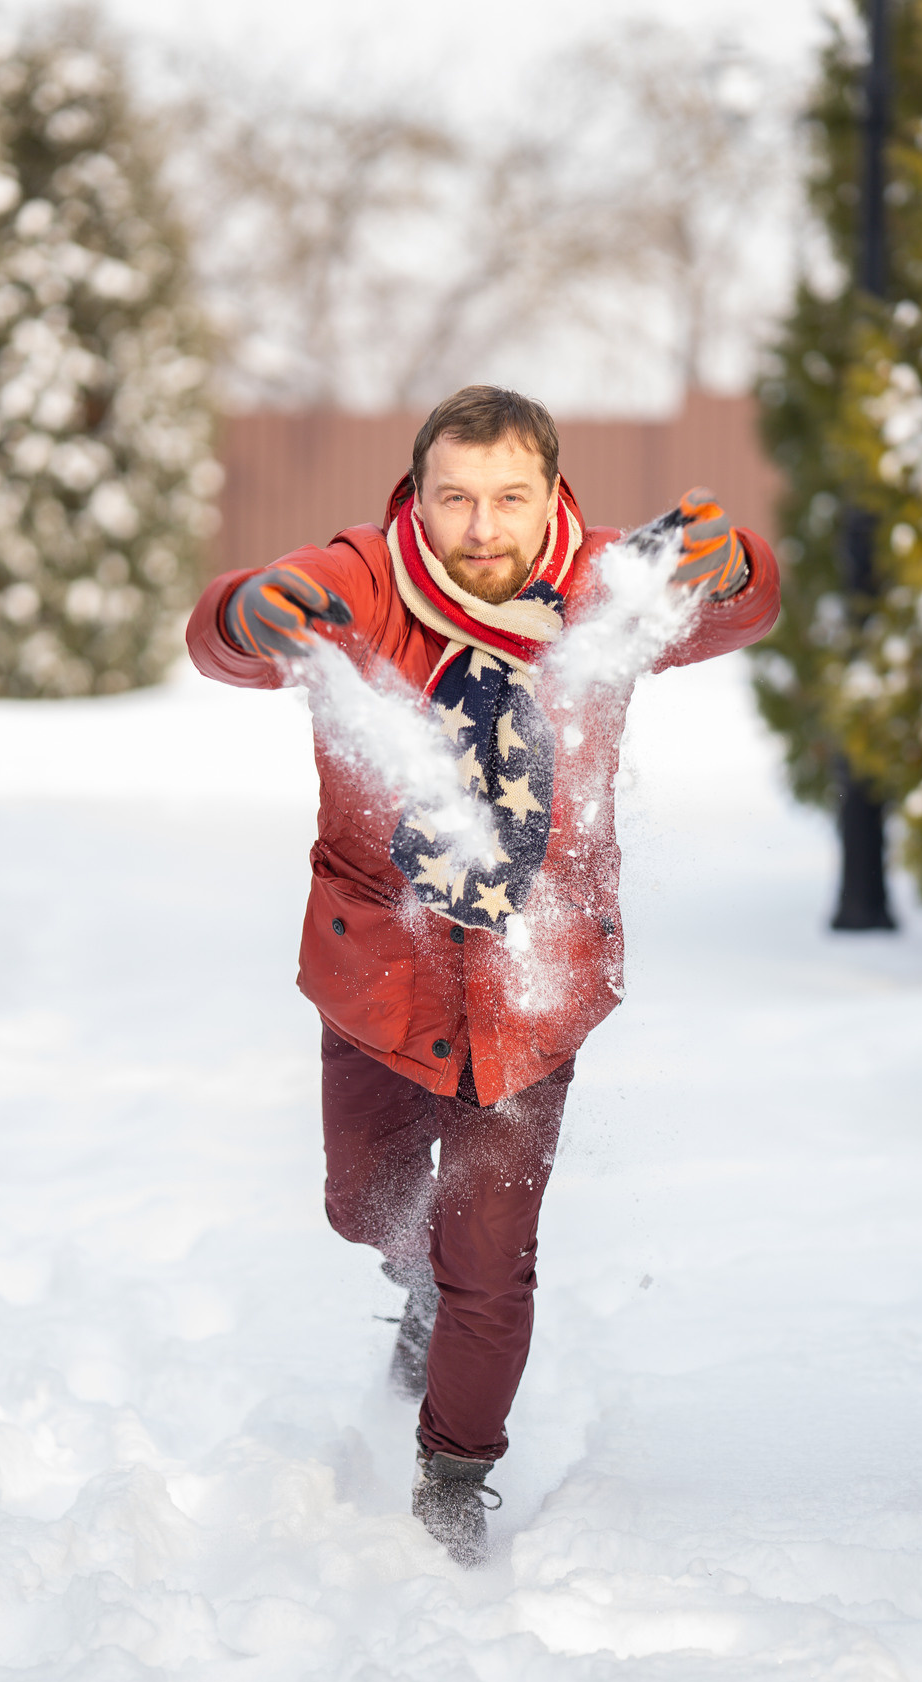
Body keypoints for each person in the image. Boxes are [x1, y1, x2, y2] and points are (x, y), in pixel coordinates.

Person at [184, 384, 780, 1566]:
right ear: (419, 495)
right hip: (381, 980)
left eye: (511, 497)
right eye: (456, 498)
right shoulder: (363, 580)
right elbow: (227, 640)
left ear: (552, 492)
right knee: (364, 1205)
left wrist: (737, 561)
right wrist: (243, 612)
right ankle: (409, 1277)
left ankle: (455, 1474)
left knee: (491, 1258)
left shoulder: (607, 589)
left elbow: (738, 606)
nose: (482, 527)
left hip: (531, 987)